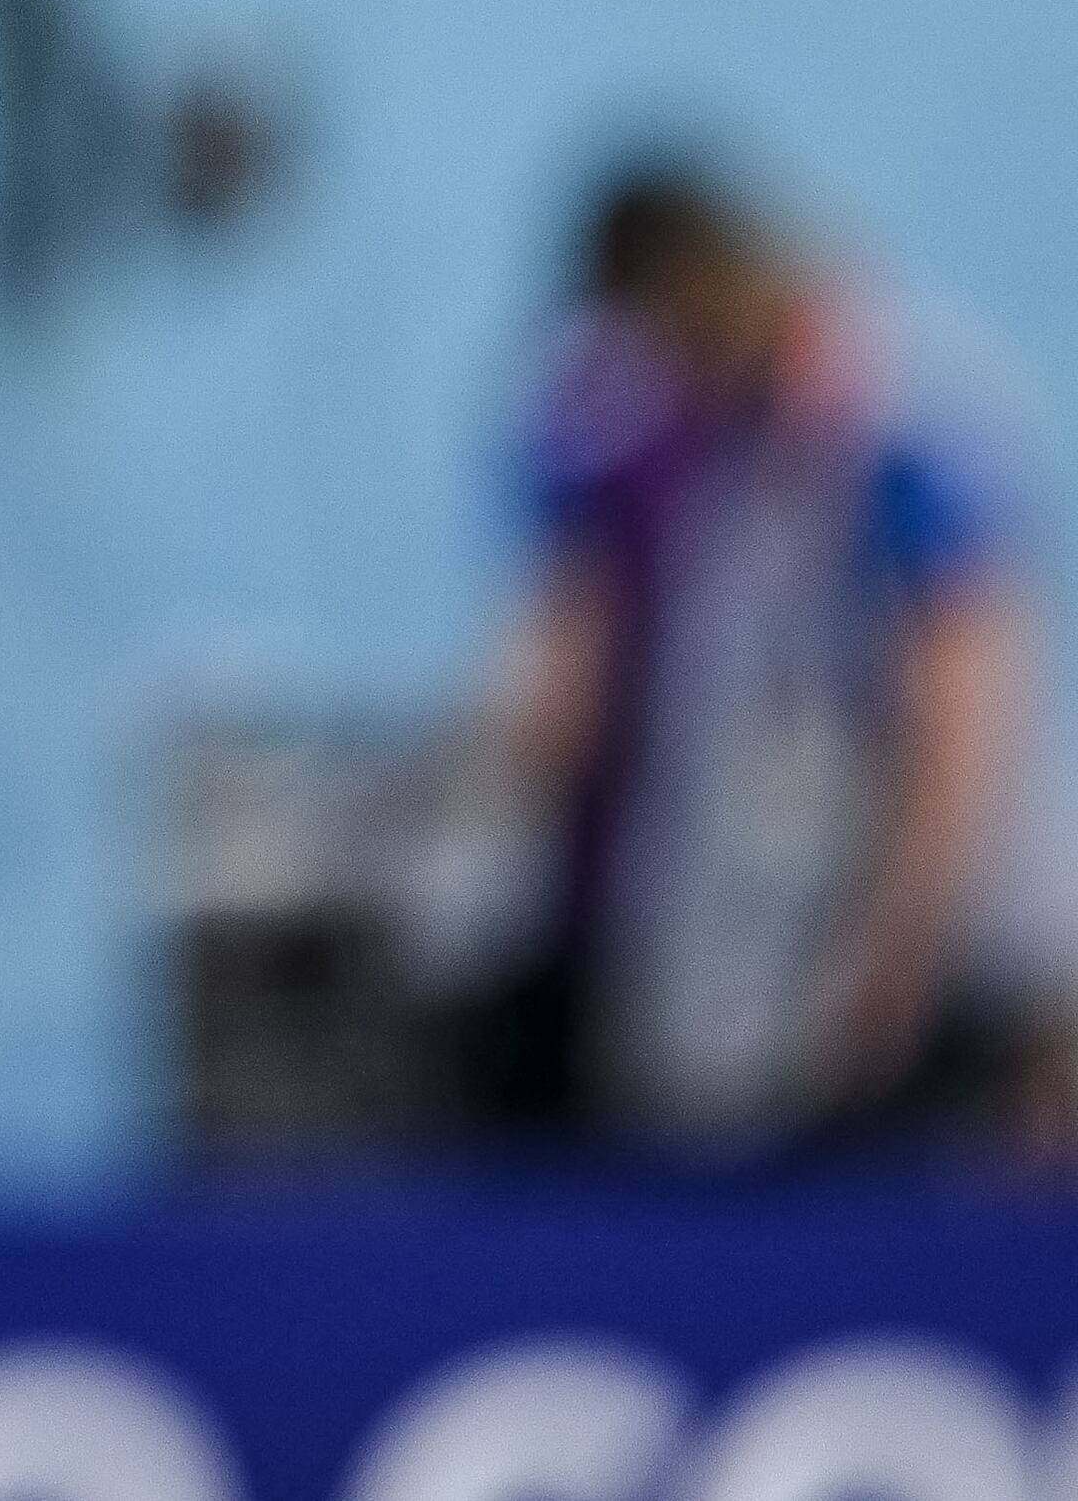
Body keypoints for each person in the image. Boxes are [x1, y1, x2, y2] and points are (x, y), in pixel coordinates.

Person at [452, 156, 1063, 1152]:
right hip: (789, 960)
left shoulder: (904, 422)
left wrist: (903, 941)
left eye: (663, 344)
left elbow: (965, 711)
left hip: (946, 956)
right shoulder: (733, 453)